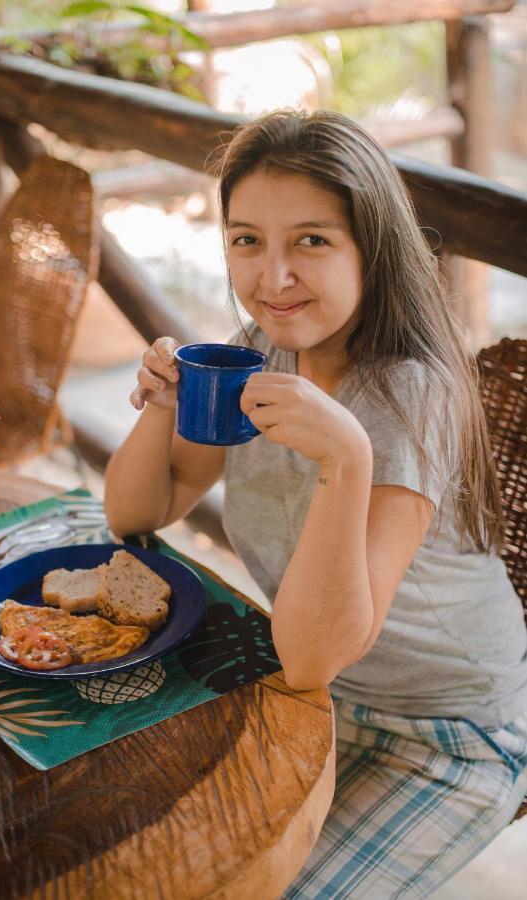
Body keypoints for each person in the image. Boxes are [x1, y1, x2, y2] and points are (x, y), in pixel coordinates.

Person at [104, 109, 527, 898]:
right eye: (246, 240)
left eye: (311, 240)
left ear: (373, 247)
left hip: (448, 734)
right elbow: (138, 516)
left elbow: (311, 653)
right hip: (308, 700)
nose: (272, 279)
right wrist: (160, 405)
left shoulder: (410, 397)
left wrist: (346, 457)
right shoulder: (257, 351)